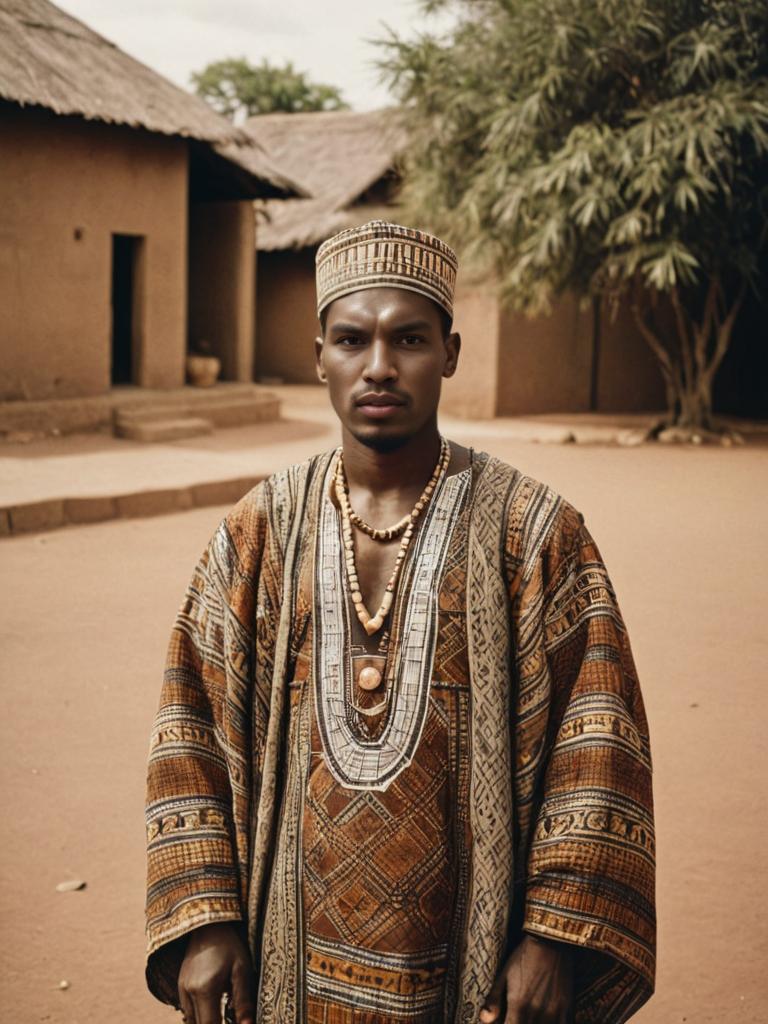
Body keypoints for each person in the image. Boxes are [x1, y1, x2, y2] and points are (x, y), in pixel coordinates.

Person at [145, 221, 655, 1024]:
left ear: (449, 352)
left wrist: (553, 937)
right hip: (288, 975)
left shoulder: (535, 532)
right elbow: (191, 724)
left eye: (408, 338)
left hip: (474, 974)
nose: (378, 366)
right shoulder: (260, 530)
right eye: (352, 339)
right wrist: (206, 917)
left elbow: (595, 739)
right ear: (320, 357)